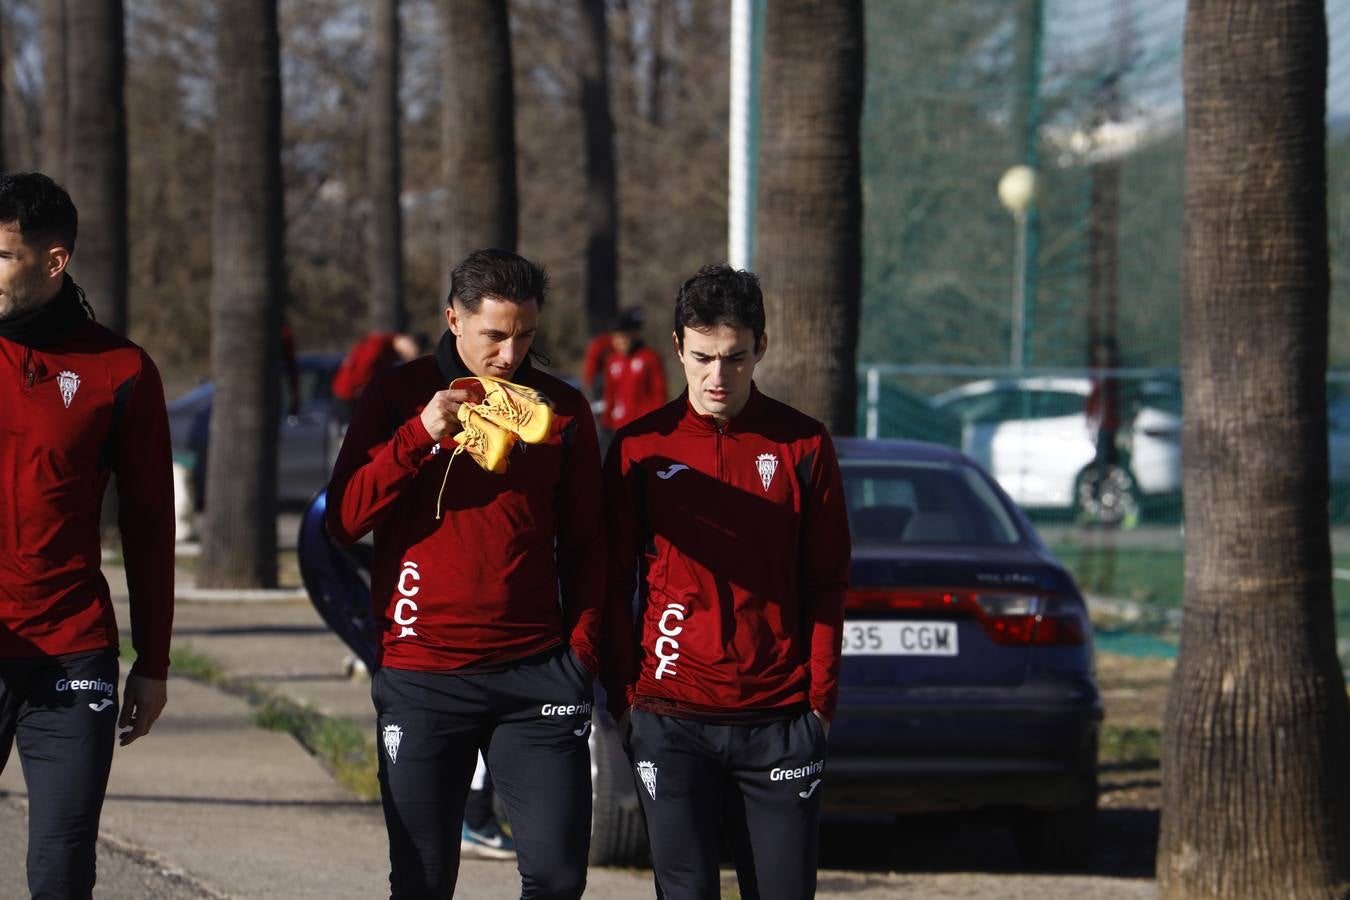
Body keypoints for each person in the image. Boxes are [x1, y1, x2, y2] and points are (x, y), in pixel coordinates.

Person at [327, 248, 602, 899]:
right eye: (496, 336)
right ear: (454, 318)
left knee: (560, 879)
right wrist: (418, 435)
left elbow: (591, 545)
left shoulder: (561, 408)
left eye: (526, 335)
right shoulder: (395, 394)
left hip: (536, 674)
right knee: (422, 882)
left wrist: (583, 656)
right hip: (424, 673)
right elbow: (343, 519)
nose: (511, 353)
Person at [601, 263, 851, 900]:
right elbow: (608, 580)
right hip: (669, 715)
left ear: (760, 348)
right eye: (704, 357)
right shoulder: (638, 448)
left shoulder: (803, 446)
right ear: (679, 348)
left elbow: (826, 579)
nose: (718, 377)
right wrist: (626, 698)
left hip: (778, 720)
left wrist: (819, 702)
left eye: (735, 358)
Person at [0, 172, 174, 897]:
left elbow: (149, 525)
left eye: (2, 255)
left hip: (72, 649)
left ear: (53, 261)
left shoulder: (122, 371)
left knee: (63, 867)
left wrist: (154, 660)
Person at [598, 307, 667, 442]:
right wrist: (605, 422)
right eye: (616, 339)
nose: (620, 343)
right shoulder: (612, 361)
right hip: (618, 427)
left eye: (623, 338)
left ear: (634, 335)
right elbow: (610, 393)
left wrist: (656, 422)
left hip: (644, 428)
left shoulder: (649, 358)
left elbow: (659, 393)